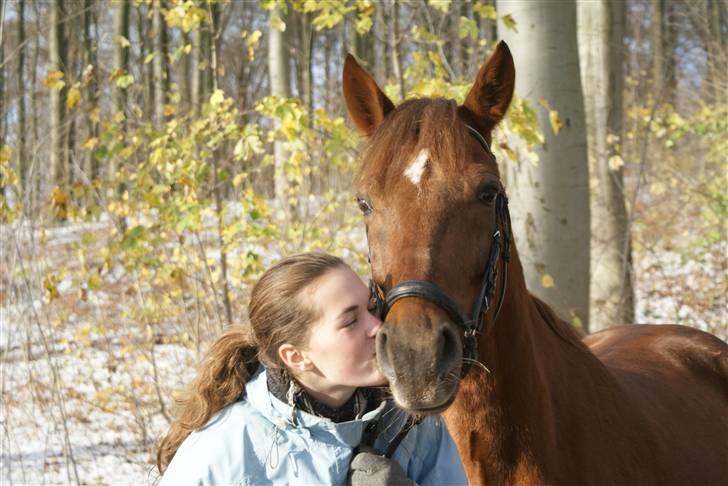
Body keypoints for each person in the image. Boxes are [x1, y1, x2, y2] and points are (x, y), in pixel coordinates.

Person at [156, 252, 467, 486]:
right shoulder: (227, 449)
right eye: (350, 321)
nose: (377, 327)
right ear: (296, 357)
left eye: (372, 308)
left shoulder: (413, 427)